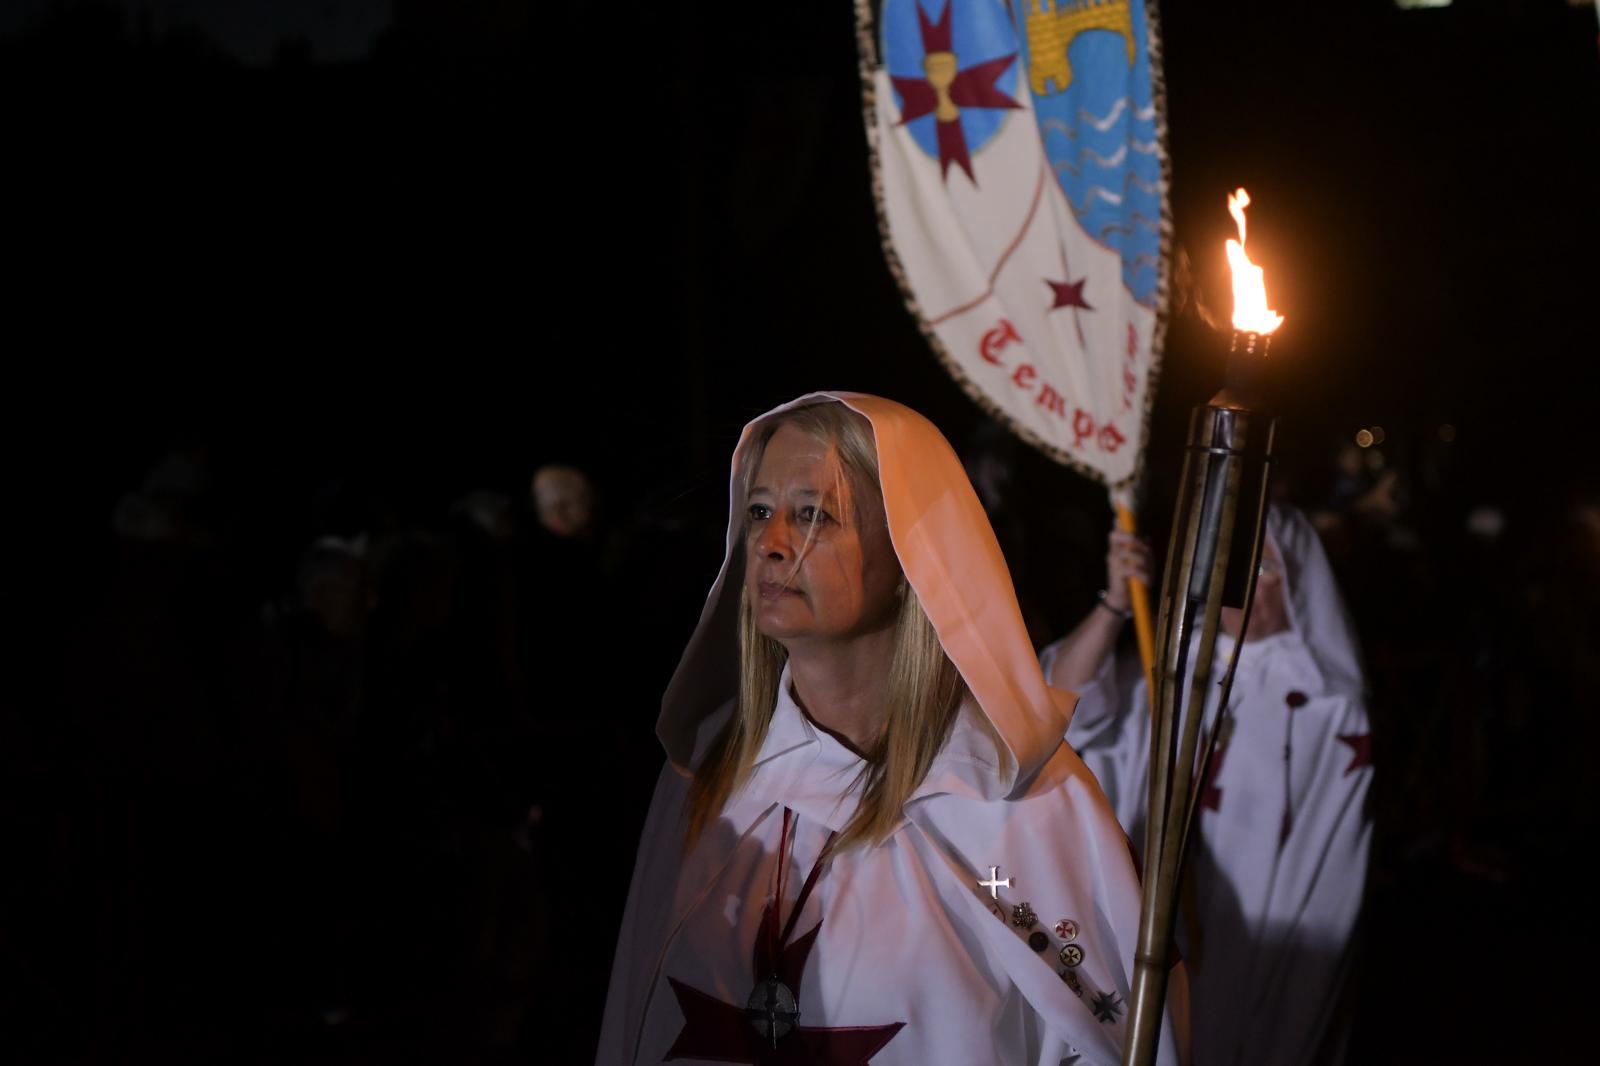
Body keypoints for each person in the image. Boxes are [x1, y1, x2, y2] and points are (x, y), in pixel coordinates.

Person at [598, 393, 1183, 1066]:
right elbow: (634, 1016)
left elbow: (1112, 1035)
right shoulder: (709, 771)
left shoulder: (1015, 805)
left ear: (914, 561)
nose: (772, 542)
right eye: (759, 511)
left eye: (814, 515)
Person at [1042, 504, 1372, 1066]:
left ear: (1299, 583)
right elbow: (1058, 708)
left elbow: (1326, 884)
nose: (1238, 588)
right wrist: (1117, 603)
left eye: (1263, 570)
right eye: (1229, 564)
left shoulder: (1328, 708)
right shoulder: (1175, 658)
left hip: (1245, 948)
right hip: (1143, 937)